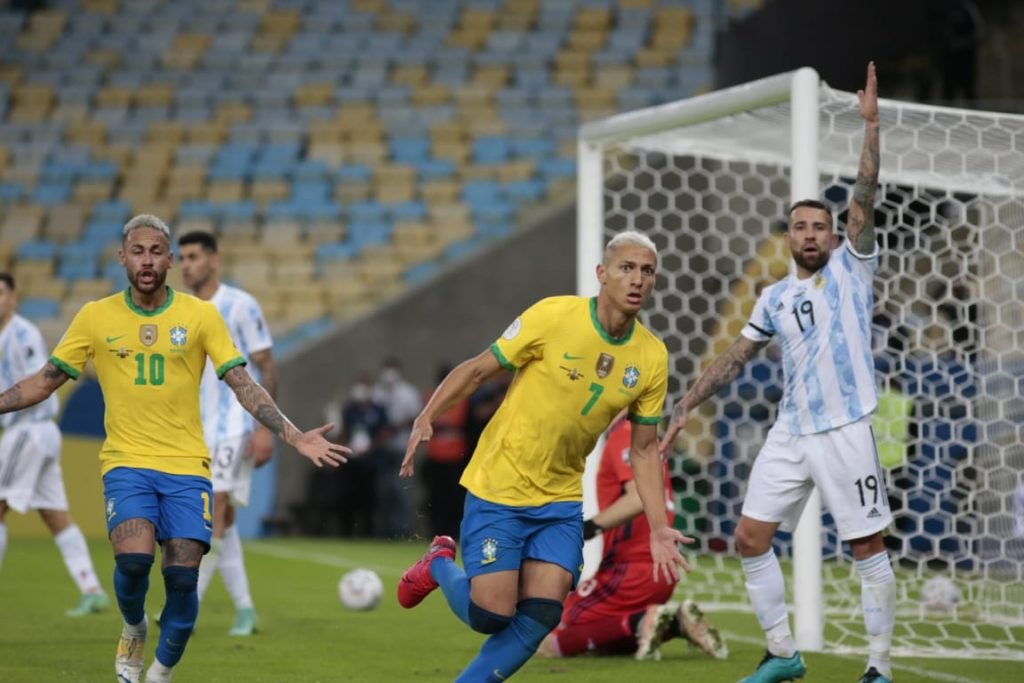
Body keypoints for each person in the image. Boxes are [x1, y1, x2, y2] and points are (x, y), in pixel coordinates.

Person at [0, 214, 349, 683]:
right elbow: (44, 381)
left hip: (187, 467)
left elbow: (243, 383)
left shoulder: (200, 315)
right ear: (122, 258)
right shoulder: (95, 316)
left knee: (183, 580)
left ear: (169, 260)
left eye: (156, 252)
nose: (147, 261)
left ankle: (160, 673)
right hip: (126, 464)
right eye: (137, 252)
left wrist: (293, 433)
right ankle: (134, 626)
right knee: (133, 563)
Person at [661, 62, 891, 683]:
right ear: (787, 236)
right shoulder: (774, 297)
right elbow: (735, 357)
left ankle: (878, 666)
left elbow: (865, 191)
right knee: (749, 537)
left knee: (865, 546)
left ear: (835, 236)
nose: (811, 235)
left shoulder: (852, 269)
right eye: (800, 227)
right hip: (791, 432)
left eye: (821, 227)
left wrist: (870, 128)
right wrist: (687, 403)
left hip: (845, 428)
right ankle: (784, 653)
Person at [397, 230, 691, 681]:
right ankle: (438, 562)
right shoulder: (554, 316)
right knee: (490, 614)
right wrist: (427, 415)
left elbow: (645, 448)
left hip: (559, 498)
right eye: (627, 268)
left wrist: (658, 527)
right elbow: (478, 369)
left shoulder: (651, 356)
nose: (637, 279)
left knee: (542, 613)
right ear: (602, 273)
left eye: (647, 271)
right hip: (501, 482)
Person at [537, 416, 727, 661]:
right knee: (606, 641)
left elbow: (638, 498)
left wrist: (586, 529)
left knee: (547, 638)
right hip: (660, 569)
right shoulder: (646, 437)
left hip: (631, 570)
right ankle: (673, 624)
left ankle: (642, 621)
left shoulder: (626, 434)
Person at [177, 230, 276, 636]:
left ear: (214, 260)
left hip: (235, 424)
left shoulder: (239, 305)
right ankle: (245, 609)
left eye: (194, 257)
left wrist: (265, 428)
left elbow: (266, 365)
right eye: (182, 257)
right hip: (194, 430)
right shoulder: (179, 310)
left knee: (213, 507)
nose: (186, 265)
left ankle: (185, 607)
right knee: (226, 519)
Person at [0, 272, 110, 617]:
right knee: (53, 514)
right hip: (39, 433)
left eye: (1, 293)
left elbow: (40, 382)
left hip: (29, 428)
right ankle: (91, 589)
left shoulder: (22, 334)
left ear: (14, 298)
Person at [372, 358, 421, 538]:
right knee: (384, 492)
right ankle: (386, 531)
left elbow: (416, 418)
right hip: (382, 450)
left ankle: (401, 531)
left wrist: (393, 429)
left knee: (402, 491)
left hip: (402, 448)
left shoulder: (408, 393)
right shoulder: (377, 393)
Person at [421, 363, 470, 539]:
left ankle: (454, 532)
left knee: (455, 498)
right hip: (436, 457)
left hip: (455, 457)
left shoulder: (462, 398)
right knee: (436, 498)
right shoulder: (431, 398)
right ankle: (437, 532)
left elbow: (457, 422)